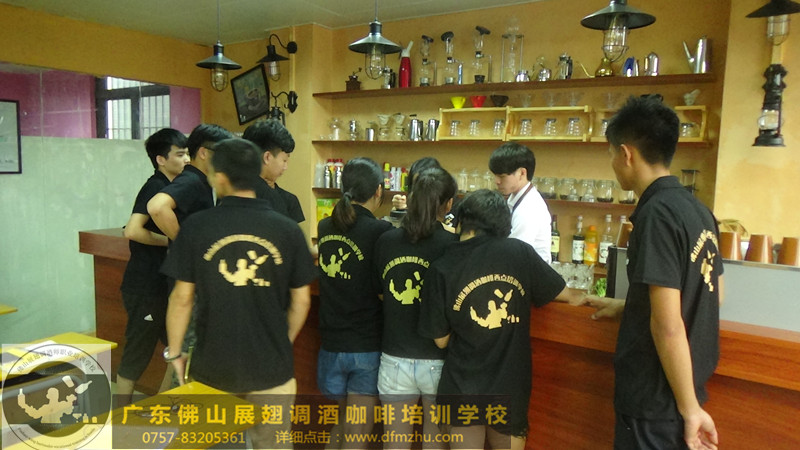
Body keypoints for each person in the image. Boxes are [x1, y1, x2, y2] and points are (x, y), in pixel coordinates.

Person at [585, 95, 723, 450]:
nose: (613, 163)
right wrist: (628, 307)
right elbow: (713, 295)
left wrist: (690, 409)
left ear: (626, 154)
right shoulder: (699, 211)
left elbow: (667, 324)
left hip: (655, 400)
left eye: (611, 154)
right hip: (682, 392)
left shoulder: (656, 214)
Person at [162, 138, 316, 449]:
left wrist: (175, 353)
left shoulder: (196, 227)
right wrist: (281, 341)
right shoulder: (288, 230)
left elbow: (181, 299)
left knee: (213, 444)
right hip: (273, 368)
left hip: (213, 367)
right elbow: (302, 300)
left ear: (220, 178)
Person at [418, 189, 592, 450]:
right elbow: (562, 293)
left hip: (462, 387)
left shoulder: (442, 265)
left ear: (462, 220)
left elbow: (440, 340)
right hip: (510, 388)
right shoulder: (519, 252)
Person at [374, 167, 458, 449]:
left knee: (395, 443)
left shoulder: (386, 241)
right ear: (448, 204)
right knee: (435, 442)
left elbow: (381, 293)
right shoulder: (452, 245)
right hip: (438, 359)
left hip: (394, 356)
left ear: (410, 198)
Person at [316, 157, 393, 446]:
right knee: (357, 433)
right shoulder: (381, 232)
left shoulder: (325, 227)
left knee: (340, 424)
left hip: (330, 344)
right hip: (365, 345)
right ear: (378, 191)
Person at [116, 128, 188, 406]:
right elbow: (132, 230)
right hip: (145, 286)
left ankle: (162, 403)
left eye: (187, 153)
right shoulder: (155, 187)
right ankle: (120, 414)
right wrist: (171, 241)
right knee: (137, 353)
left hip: (163, 284)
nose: (186, 159)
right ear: (161, 159)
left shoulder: (173, 187)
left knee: (177, 348)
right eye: (179, 154)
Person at [147, 123, 234, 240]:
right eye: (223, 153)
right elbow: (157, 207)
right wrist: (183, 242)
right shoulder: (191, 180)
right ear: (203, 153)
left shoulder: (203, 180)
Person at [488, 142, 552, 263]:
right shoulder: (515, 197)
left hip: (530, 272)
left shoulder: (529, 208)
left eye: (502, 176)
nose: (496, 181)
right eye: (495, 175)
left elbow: (514, 253)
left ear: (522, 173)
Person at [243, 119, 305, 223]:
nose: (285, 167)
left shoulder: (289, 200)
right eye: (284, 160)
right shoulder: (272, 199)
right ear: (267, 157)